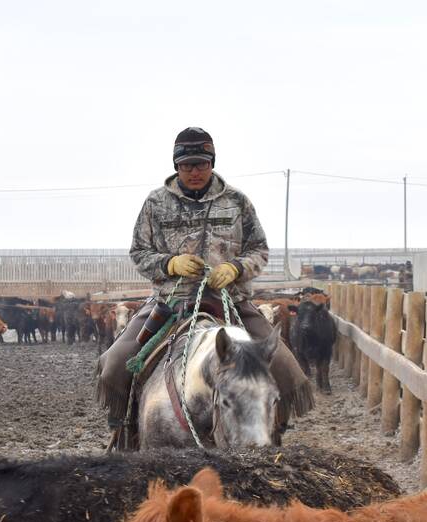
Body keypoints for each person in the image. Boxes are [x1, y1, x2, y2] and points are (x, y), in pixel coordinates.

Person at [97, 126, 312, 449]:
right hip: (171, 302)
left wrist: (235, 268)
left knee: (286, 367)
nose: (194, 172)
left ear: (212, 163)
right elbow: (139, 252)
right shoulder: (156, 204)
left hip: (232, 301)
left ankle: (270, 435)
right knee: (115, 364)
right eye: (187, 166)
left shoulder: (237, 202)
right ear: (176, 167)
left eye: (201, 164)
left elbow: (260, 250)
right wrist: (169, 264)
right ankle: (127, 433)